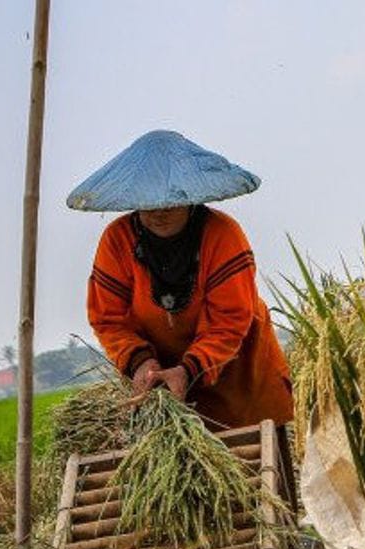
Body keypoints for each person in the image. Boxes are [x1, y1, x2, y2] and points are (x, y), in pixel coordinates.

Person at [70, 130, 293, 429]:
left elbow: (230, 321)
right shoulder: (117, 241)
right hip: (163, 385)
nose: (159, 211)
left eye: (170, 201)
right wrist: (141, 364)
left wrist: (188, 370)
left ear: (190, 197)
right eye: (149, 202)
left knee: (259, 465)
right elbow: (108, 319)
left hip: (241, 377)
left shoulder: (224, 236)